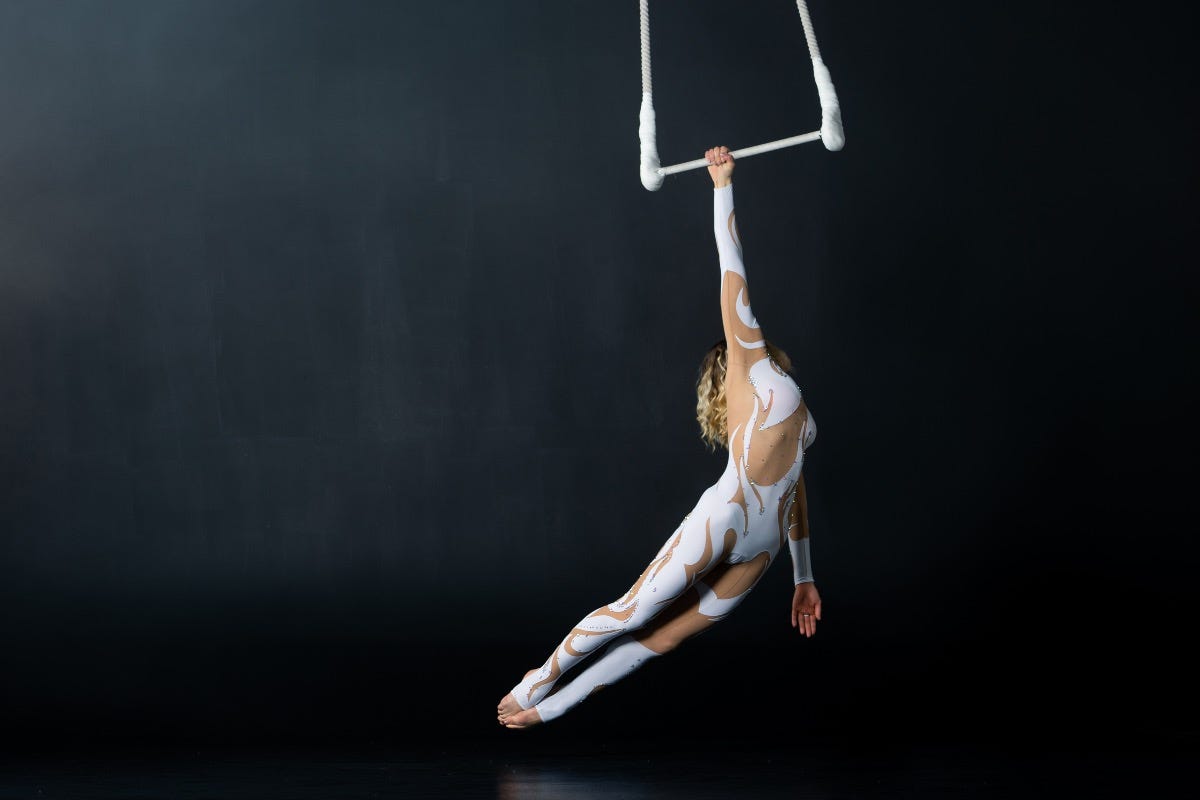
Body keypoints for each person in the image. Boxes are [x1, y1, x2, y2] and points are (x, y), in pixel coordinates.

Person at [496, 146, 822, 729]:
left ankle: (550, 712)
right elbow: (732, 265)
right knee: (632, 612)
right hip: (726, 516)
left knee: (664, 640)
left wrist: (803, 577)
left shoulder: (793, 405)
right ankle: (537, 680)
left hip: (763, 550)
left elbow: (795, 489)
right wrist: (721, 184)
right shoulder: (753, 368)